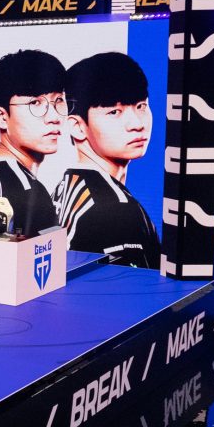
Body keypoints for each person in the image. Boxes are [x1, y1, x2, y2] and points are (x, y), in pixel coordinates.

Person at [56, 51, 160, 267]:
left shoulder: (68, 187)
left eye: (141, 106)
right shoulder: (116, 210)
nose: (137, 124)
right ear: (77, 126)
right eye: (114, 112)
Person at [0, 48, 66, 236]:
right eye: (35, 103)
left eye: (58, 100)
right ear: (2, 117)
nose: (54, 117)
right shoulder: (28, 192)